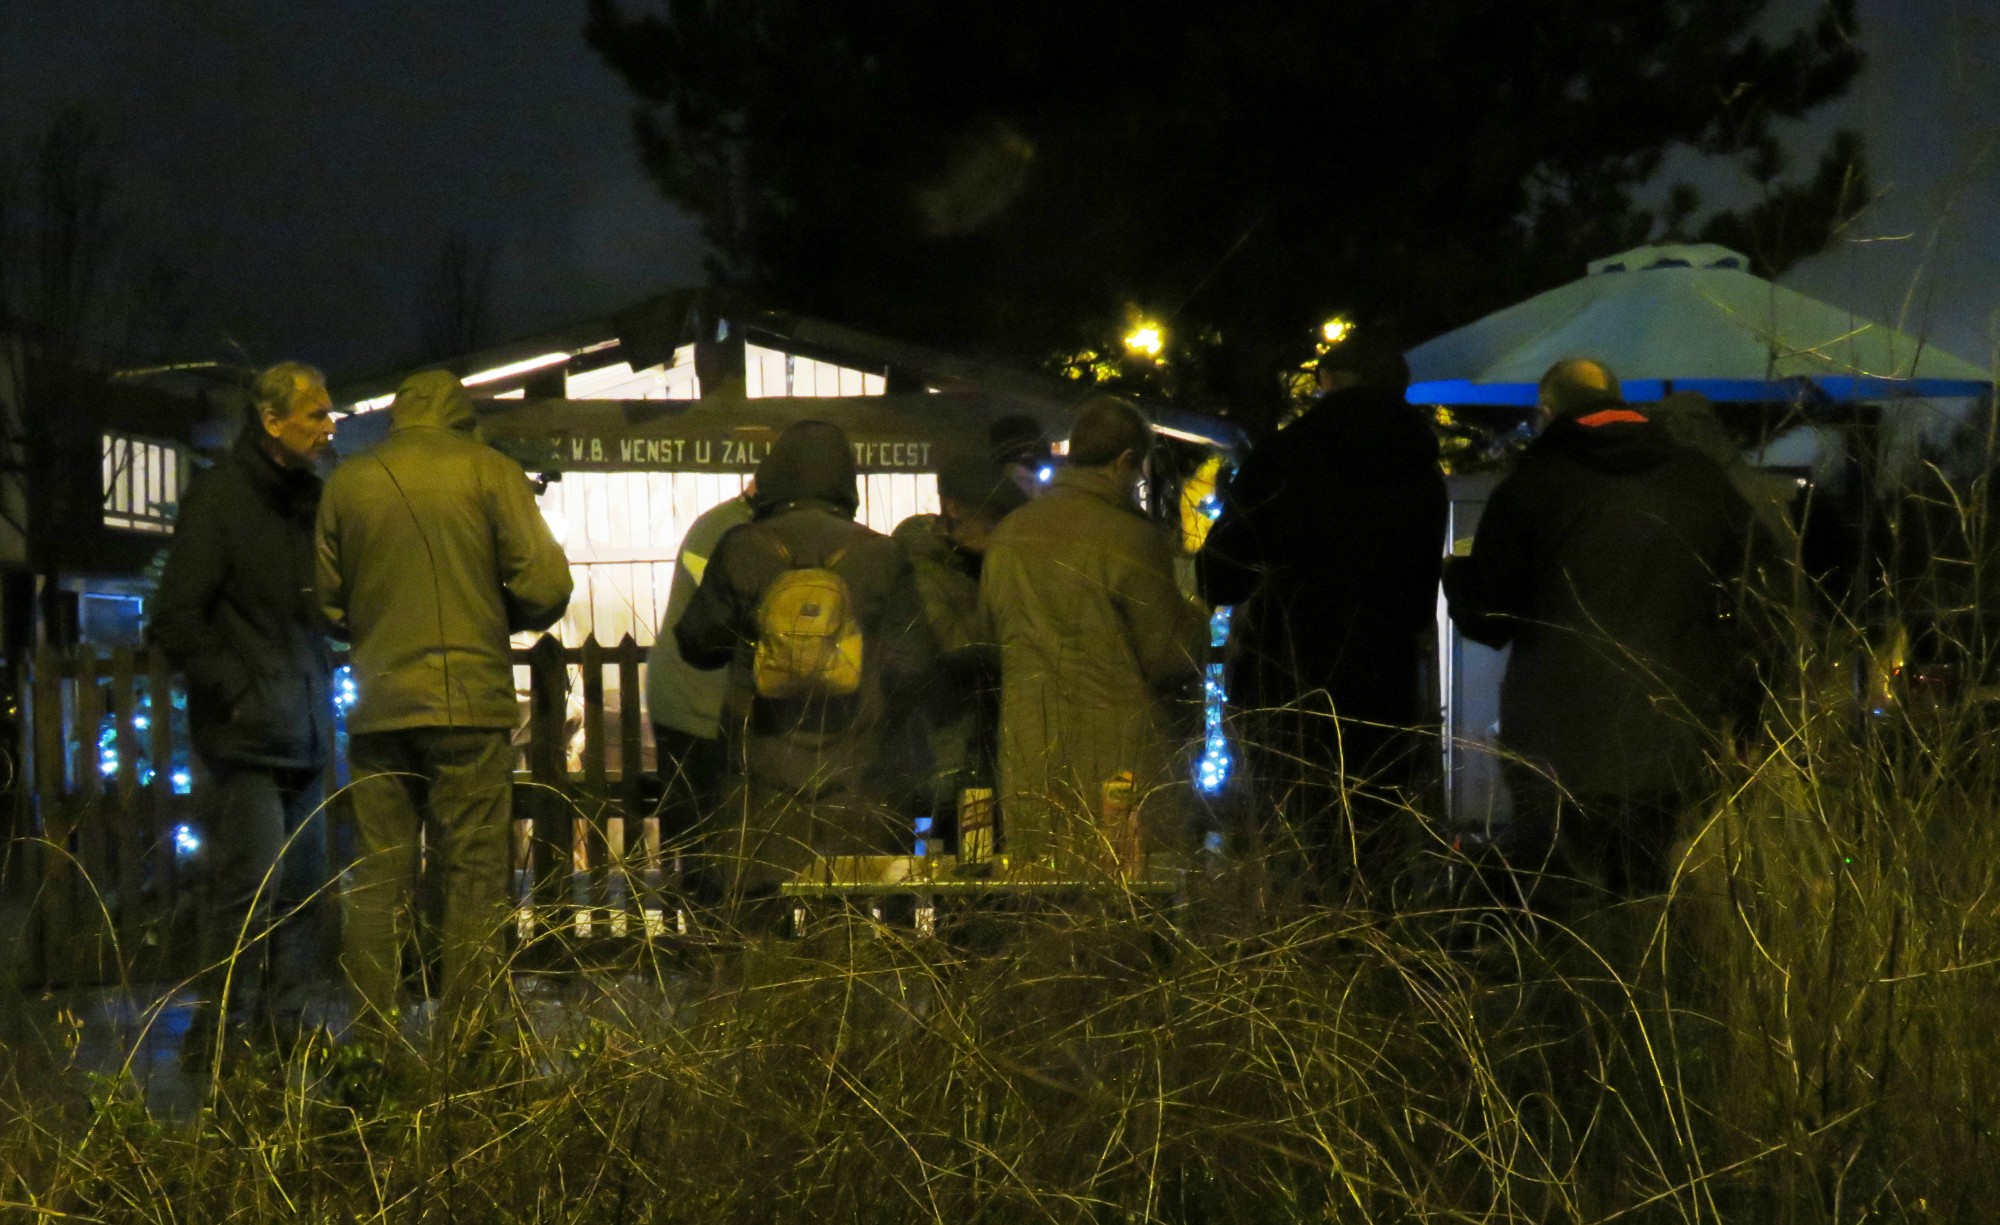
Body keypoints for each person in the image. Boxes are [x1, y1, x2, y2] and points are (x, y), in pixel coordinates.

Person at [1444, 358, 1766, 914]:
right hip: (1672, 732)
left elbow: (1488, 619)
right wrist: (1745, 709)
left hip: (1555, 738)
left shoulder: (1531, 487)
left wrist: (1457, 574)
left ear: (1546, 412)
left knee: (1562, 902)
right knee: (1650, 895)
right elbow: (1762, 597)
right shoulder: (1700, 480)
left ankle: (1576, 998)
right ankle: (1657, 996)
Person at [316, 369, 571, 1032]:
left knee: (378, 878)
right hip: (468, 704)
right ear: (461, 414)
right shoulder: (490, 471)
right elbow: (546, 586)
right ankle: (473, 1042)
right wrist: (490, 610)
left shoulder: (349, 481)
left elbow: (327, 601)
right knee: (474, 875)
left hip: (381, 704)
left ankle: (371, 1044)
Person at [1197, 340, 1447, 903]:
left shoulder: (1285, 457)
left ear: (1330, 381)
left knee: (1293, 847)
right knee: (1373, 846)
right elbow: (1416, 595)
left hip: (1290, 678)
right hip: (1384, 685)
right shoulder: (1420, 469)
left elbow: (1223, 573)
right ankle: (1373, 967)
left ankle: (1299, 974)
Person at [153, 361, 338, 1056]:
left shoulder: (307, 502)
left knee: (302, 890)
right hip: (249, 735)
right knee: (250, 891)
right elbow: (175, 616)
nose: (329, 426)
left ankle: (284, 1025)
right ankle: (220, 1028)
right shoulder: (220, 501)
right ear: (271, 421)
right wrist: (239, 688)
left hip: (304, 726)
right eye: (316, 413)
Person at [675, 420, 925, 913]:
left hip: (758, 782)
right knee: (846, 931)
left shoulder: (742, 547)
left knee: (757, 931)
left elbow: (697, 644)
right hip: (857, 779)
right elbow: (914, 664)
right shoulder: (881, 555)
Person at [982, 396, 1208, 876]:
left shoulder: (1009, 535)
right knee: (1124, 918)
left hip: (1027, 764)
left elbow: (991, 637)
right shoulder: (1130, 537)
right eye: (1138, 473)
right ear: (1125, 462)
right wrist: (1198, 616)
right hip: (1120, 772)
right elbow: (1169, 657)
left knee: (1044, 912)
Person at [887, 453, 1029, 847]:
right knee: (955, 870)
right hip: (944, 763)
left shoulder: (976, 564)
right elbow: (954, 646)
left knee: (978, 871)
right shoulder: (921, 562)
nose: (1003, 528)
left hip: (977, 760)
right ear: (954, 508)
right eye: (994, 515)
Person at [644, 483, 754, 900]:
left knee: (714, 843)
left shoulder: (729, 525)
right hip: (698, 707)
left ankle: (713, 945)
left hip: (704, 704)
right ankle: (711, 950)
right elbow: (729, 614)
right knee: (708, 844)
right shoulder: (726, 529)